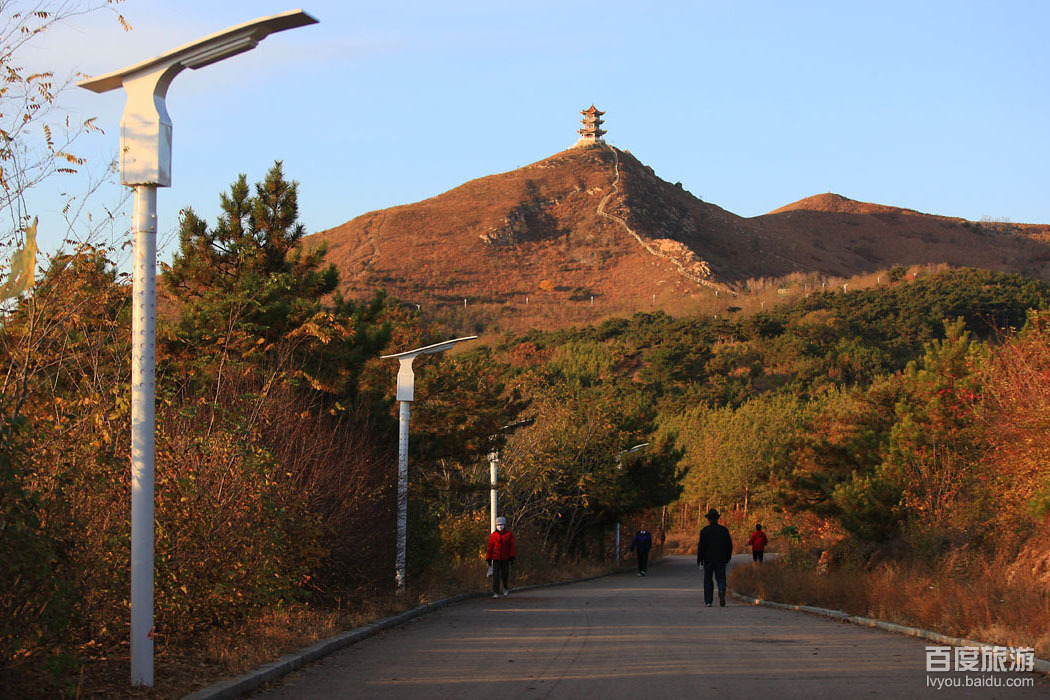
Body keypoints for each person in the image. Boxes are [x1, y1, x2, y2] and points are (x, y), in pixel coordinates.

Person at [697, 508, 733, 607]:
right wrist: (728, 557)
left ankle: (708, 601)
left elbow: (701, 546)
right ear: (717, 519)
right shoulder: (724, 530)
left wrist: (699, 559)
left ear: (708, 519)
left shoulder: (705, 531)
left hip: (708, 559)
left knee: (708, 579)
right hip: (721, 558)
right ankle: (721, 590)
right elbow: (729, 545)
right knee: (721, 578)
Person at [486, 516, 516, 598]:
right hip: (496, 558)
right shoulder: (493, 535)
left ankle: (505, 587)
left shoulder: (509, 535)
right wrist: (488, 558)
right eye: (498, 524)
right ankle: (496, 592)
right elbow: (490, 547)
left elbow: (511, 546)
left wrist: (512, 556)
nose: (500, 526)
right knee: (496, 576)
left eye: (501, 524)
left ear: (504, 525)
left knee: (505, 574)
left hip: (505, 558)